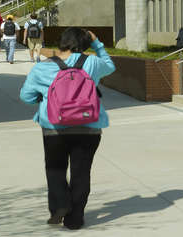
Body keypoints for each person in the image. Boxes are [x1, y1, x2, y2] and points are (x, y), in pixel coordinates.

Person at [19, 26, 115, 231]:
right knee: (81, 172)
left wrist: (43, 98)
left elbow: (26, 96)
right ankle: (75, 218)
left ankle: (59, 205)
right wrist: (97, 43)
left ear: (62, 42)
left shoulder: (42, 67)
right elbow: (110, 65)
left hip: (54, 127)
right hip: (89, 127)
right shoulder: (93, 63)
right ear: (85, 43)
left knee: (55, 169)